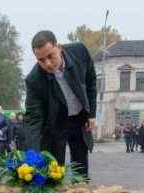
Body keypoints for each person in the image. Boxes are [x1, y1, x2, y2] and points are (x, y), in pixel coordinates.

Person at [24, 31, 96, 178]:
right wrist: (32, 154)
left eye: (50, 56)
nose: (48, 64)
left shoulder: (79, 52)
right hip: (56, 124)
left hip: (80, 119)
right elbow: (33, 119)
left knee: (80, 172)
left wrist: (92, 114)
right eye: (41, 60)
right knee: (54, 174)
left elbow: (90, 82)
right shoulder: (34, 80)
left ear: (58, 47)